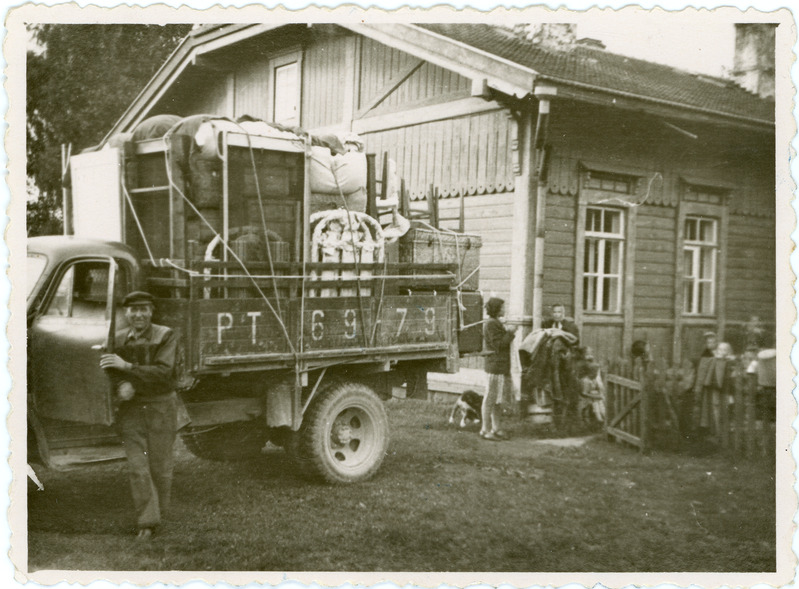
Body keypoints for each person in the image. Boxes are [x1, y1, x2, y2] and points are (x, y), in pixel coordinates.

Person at [99, 291, 180, 541]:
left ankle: (159, 513)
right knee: (137, 467)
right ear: (126, 313)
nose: (138, 314)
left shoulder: (166, 335)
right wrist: (121, 383)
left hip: (160, 408)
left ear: (151, 311)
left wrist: (128, 369)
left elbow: (165, 373)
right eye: (133, 310)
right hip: (132, 411)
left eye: (143, 309)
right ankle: (148, 523)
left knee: (160, 467)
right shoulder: (118, 339)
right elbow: (108, 370)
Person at [482, 297, 517, 441]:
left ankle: (496, 428)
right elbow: (499, 345)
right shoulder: (491, 324)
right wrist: (511, 332)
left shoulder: (495, 323)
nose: (504, 309)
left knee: (497, 400)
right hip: (494, 367)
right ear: (496, 309)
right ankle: (485, 429)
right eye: (502, 307)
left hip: (500, 367)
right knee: (490, 399)